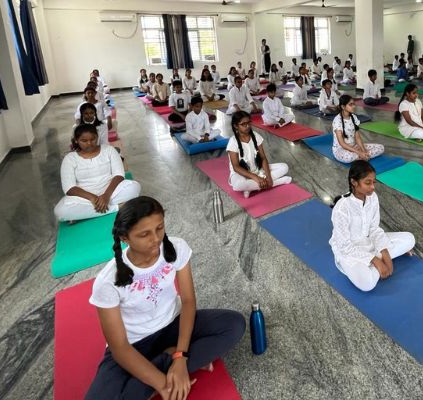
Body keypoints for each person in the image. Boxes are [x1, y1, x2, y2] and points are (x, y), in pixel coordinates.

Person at [84, 196, 245, 400]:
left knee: (234, 325)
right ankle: (165, 362)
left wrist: (181, 356)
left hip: (173, 327)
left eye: (159, 228)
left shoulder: (176, 248)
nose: (156, 239)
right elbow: (120, 348)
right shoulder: (107, 282)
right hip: (134, 345)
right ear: (125, 238)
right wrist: (163, 384)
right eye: (144, 234)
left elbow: (188, 302)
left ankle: (165, 363)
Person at [329, 160, 415, 292]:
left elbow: (374, 229)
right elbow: (344, 246)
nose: (373, 187)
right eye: (368, 183)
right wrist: (376, 260)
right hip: (349, 250)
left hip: (369, 241)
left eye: (374, 182)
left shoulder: (372, 197)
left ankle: (376, 263)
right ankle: (374, 263)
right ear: (354, 182)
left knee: (410, 239)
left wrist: (385, 254)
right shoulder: (342, 208)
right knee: (367, 284)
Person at [54, 124, 141, 222]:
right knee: (60, 211)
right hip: (85, 198)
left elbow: (119, 175)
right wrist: (93, 198)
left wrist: (106, 196)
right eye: (84, 141)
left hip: (111, 192)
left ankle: (84, 213)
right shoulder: (70, 159)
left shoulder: (109, 150)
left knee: (134, 187)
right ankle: (117, 207)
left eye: (93, 139)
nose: (89, 143)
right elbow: (69, 188)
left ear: (97, 137)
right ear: (76, 140)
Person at [227, 111, 292, 198]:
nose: (247, 126)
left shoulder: (256, 136)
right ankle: (278, 182)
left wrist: (268, 176)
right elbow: (236, 167)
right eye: (243, 124)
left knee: (284, 167)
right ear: (236, 126)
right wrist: (256, 178)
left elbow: (263, 158)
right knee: (238, 185)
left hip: (257, 169)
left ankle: (251, 188)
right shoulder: (233, 142)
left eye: (249, 123)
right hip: (241, 173)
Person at [332, 95, 384, 163]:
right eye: (350, 104)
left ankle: (363, 156)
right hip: (341, 150)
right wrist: (359, 152)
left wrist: (363, 150)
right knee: (349, 157)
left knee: (381, 148)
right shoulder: (337, 121)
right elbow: (342, 143)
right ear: (343, 107)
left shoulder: (354, 117)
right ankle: (363, 156)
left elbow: (358, 138)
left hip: (354, 147)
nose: (354, 106)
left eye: (354, 104)